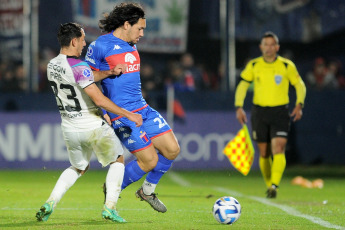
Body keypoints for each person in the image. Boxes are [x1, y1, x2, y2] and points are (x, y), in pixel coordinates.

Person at [35, 22, 142, 223]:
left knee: (78, 167)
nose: (84, 43)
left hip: (69, 126)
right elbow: (99, 98)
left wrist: (109, 72)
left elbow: (84, 78)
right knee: (118, 160)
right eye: (83, 39)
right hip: (91, 124)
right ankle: (110, 207)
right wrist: (129, 115)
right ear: (74, 41)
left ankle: (51, 202)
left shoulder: (52, 65)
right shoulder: (79, 65)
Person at [85, 2, 180, 213]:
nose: (142, 33)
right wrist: (103, 111)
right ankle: (112, 189)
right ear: (127, 24)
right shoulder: (100, 46)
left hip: (142, 109)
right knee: (150, 160)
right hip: (122, 115)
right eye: (140, 28)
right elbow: (86, 79)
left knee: (172, 150)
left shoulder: (132, 45)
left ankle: (147, 191)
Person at [234, 31, 306, 198]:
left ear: (277, 47)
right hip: (260, 112)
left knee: (278, 148)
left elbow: (299, 84)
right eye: (265, 45)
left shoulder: (287, 66)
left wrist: (299, 104)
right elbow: (242, 85)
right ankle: (269, 185)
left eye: (271, 44)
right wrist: (239, 107)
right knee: (265, 153)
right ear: (261, 47)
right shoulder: (254, 65)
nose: (268, 48)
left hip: (280, 111)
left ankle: (275, 185)